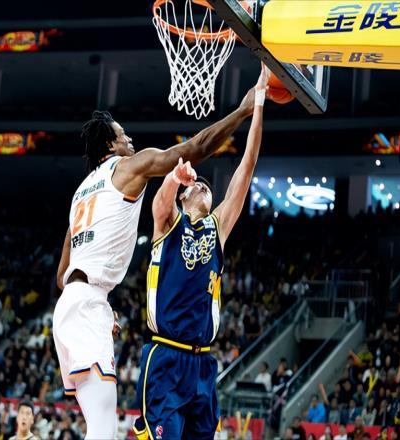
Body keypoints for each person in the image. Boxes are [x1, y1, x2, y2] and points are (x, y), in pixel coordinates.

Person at [53, 81, 259, 438]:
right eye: (123, 135)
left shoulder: (80, 193)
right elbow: (195, 148)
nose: (130, 140)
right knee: (102, 428)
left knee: (100, 424)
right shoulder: (127, 168)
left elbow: (62, 276)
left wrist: (95, 300)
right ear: (110, 145)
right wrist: (243, 110)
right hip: (95, 309)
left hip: (73, 304)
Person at [131, 64, 270, 439]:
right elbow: (159, 205)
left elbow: (247, 165)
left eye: (208, 186)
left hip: (203, 364)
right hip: (166, 357)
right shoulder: (169, 224)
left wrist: (258, 104)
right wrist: (173, 178)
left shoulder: (217, 227)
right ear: (184, 196)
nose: (204, 186)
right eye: (197, 185)